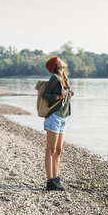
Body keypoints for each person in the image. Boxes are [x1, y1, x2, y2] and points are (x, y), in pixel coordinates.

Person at [42, 56, 74, 191]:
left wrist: (68, 95)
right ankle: (50, 182)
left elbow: (62, 96)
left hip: (63, 117)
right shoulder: (55, 77)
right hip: (54, 117)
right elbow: (45, 94)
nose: (63, 60)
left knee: (58, 151)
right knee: (51, 150)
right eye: (60, 60)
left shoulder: (64, 78)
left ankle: (56, 178)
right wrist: (58, 96)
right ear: (56, 65)